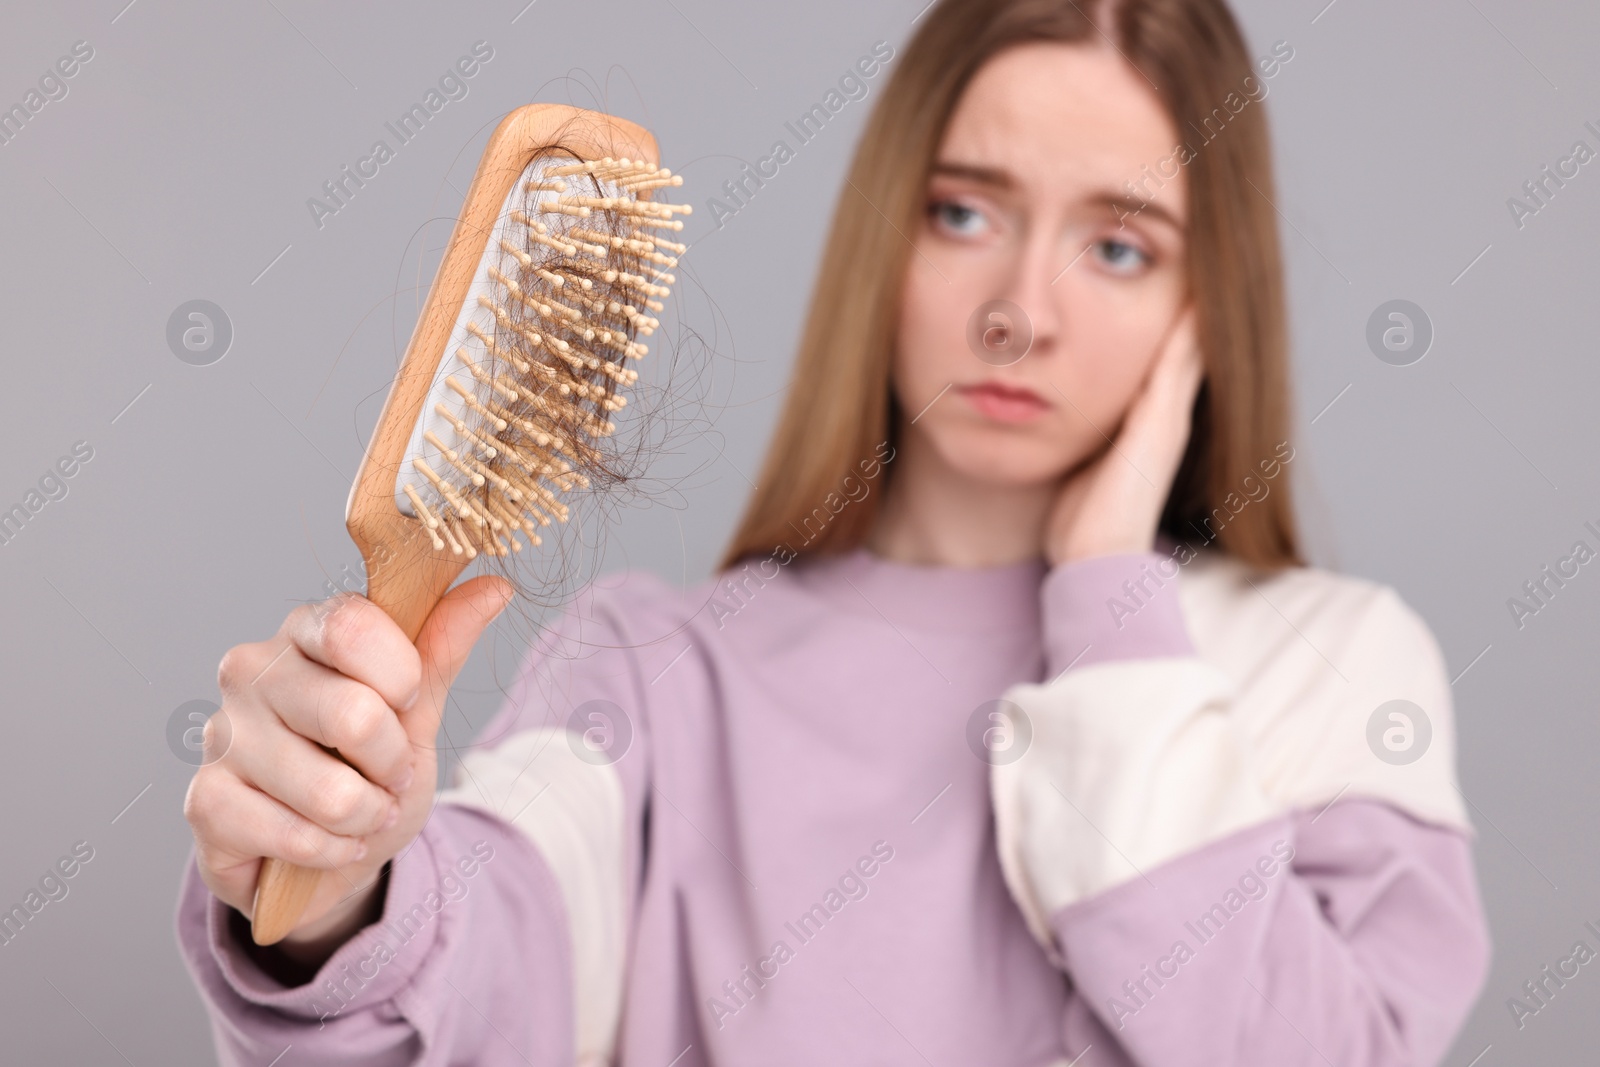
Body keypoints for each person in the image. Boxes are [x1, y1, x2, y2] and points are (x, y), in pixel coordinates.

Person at [176, 0, 1490, 1063]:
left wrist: (1110, 603)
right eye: (964, 212)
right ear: (884, 231)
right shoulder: (659, 670)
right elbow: (463, 983)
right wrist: (336, 882)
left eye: (1121, 246)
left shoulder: (1325, 663)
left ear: (1211, 301)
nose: (1017, 313)